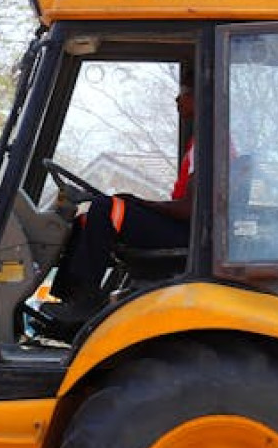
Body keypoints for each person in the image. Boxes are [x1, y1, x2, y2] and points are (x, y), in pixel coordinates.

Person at [38, 65, 196, 334]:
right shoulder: (201, 142)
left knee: (106, 208)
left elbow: (190, 210)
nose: (177, 99)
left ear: (200, 98)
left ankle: (86, 300)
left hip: (188, 234)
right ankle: (68, 300)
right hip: (184, 229)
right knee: (87, 219)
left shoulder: (209, 145)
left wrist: (141, 203)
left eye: (184, 93)